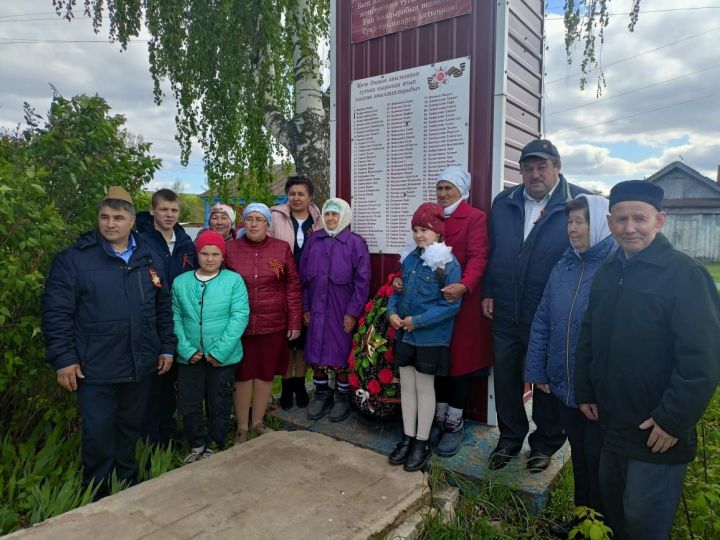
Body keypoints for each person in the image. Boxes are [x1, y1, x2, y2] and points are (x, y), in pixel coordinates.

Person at [574, 180, 720, 540]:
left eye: (639, 218)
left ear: (660, 220)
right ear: (609, 223)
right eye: (621, 219)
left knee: (644, 524)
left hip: (656, 432)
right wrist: (585, 390)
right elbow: (589, 336)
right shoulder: (608, 272)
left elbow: (702, 358)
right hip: (611, 423)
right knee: (614, 515)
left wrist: (672, 420)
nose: (629, 227)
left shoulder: (684, 275)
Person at [42, 186, 176, 496]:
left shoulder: (148, 258)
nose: (110, 224)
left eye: (118, 217)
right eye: (104, 217)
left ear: (132, 221)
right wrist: (64, 358)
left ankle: (127, 483)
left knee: (130, 427)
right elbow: (56, 313)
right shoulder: (74, 260)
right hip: (95, 366)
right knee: (99, 432)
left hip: (139, 363)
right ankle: (98, 491)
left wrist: (166, 346)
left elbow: (162, 306)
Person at [482, 139, 589, 472]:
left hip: (549, 313)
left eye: (542, 167)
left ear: (557, 168)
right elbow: (493, 250)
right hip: (505, 308)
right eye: (527, 168)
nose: (534, 174)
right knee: (506, 376)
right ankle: (510, 438)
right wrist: (489, 289)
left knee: (546, 379)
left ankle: (544, 444)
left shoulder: (574, 206)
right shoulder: (504, 203)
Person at [524, 195, 616, 536]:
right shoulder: (564, 264)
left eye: (582, 221)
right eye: (570, 222)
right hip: (564, 385)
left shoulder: (613, 265)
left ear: (600, 223)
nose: (574, 228)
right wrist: (537, 370)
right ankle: (582, 523)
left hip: (596, 391)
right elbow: (543, 319)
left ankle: (604, 528)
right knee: (580, 456)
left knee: (600, 462)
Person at [387, 203, 462, 472]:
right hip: (405, 335)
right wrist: (392, 313)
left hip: (430, 338)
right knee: (406, 385)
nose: (419, 235)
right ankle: (407, 437)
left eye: (425, 230)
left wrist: (417, 322)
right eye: (416, 230)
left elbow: (450, 305)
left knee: (423, 387)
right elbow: (397, 290)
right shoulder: (410, 259)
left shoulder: (447, 264)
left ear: (438, 233)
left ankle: (421, 442)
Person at [225, 203, 302, 443]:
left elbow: (292, 286)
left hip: (273, 322)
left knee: (265, 373)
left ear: (268, 224)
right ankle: (241, 426)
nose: (254, 224)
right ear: (243, 223)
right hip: (240, 324)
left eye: (260, 219)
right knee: (243, 374)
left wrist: (295, 321)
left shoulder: (281, 249)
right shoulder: (230, 249)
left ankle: (258, 422)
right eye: (250, 219)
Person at [172, 231, 249, 463]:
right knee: (190, 401)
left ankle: (215, 442)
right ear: (197, 254)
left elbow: (239, 316)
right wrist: (185, 349)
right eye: (204, 253)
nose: (209, 258)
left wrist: (219, 351)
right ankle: (197, 443)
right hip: (191, 357)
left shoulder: (233, 281)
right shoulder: (181, 282)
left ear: (222, 256)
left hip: (223, 357)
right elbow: (174, 317)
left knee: (220, 400)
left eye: (215, 254)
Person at [300, 198, 371, 422]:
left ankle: (341, 396)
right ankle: (321, 394)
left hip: (341, 310)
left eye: (335, 214)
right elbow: (303, 278)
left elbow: (363, 281)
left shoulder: (354, 243)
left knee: (340, 354)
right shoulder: (314, 241)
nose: (330, 218)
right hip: (317, 308)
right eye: (327, 214)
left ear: (344, 217)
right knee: (316, 354)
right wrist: (306, 306)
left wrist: (352, 312)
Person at [137, 188, 196, 446]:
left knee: (172, 379)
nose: (169, 215)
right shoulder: (140, 241)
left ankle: (168, 432)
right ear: (152, 210)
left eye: (173, 210)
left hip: (179, 320)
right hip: (150, 318)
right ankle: (150, 439)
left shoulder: (185, 243)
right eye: (163, 209)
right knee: (151, 382)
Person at [268, 176, 324, 410]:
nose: (296, 198)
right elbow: (267, 245)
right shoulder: (276, 217)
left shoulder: (319, 219)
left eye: (301, 194)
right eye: (292, 194)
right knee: (286, 339)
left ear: (310, 197)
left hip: (310, 288)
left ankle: (300, 384)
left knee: (302, 340)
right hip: (281, 286)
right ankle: (286, 385)